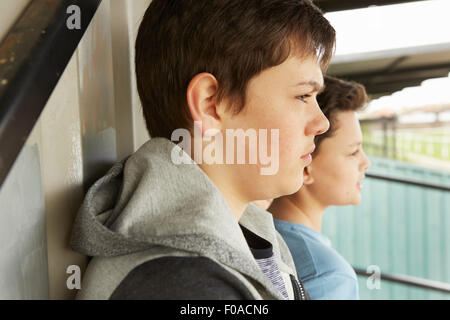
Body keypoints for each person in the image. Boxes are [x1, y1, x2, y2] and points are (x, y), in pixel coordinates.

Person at [70, 0, 335, 300]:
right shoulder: (179, 285)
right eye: (303, 95)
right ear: (210, 103)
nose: (321, 123)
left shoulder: (255, 239)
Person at [269, 76, 371, 300]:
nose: (366, 162)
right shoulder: (328, 276)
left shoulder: (253, 233)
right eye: (353, 152)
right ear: (305, 166)